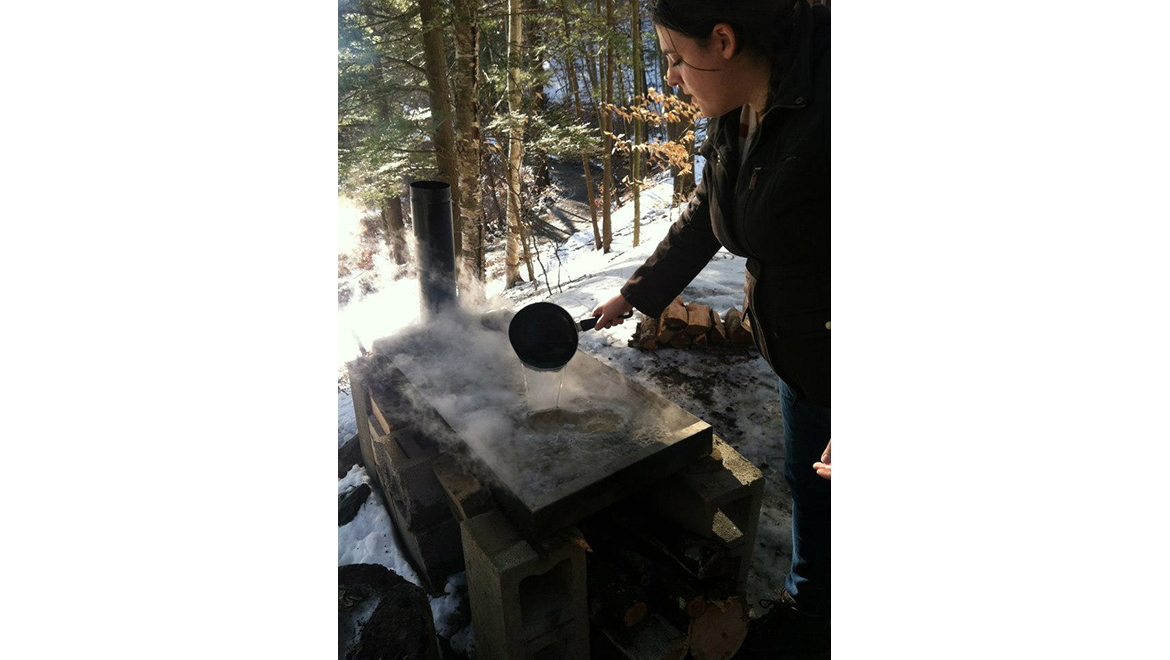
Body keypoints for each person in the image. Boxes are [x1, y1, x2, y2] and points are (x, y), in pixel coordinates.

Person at [590, 1, 830, 657]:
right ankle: (809, 614)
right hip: (803, 356)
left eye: (673, 57)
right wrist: (635, 295)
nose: (670, 77)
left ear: (722, 40)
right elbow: (708, 212)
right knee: (814, 497)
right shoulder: (738, 111)